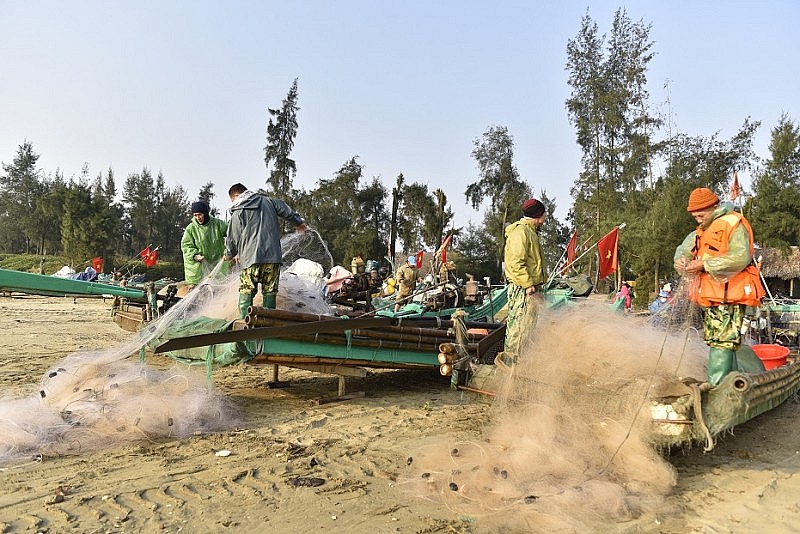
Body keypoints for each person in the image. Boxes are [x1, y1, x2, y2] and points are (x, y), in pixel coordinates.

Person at [674, 187, 765, 386]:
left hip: (731, 295)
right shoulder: (700, 231)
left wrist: (705, 264)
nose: (698, 219)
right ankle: (753, 379)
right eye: (694, 216)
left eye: (701, 215)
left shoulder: (733, 223)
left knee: (723, 342)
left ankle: (717, 387)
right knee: (728, 341)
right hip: (712, 297)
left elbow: (740, 257)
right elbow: (684, 250)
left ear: (714, 207)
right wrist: (681, 261)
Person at [223, 183, 307, 318]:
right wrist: (298, 223)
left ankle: (245, 325)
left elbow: (233, 237)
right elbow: (286, 210)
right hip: (273, 258)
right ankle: (267, 326)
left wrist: (229, 254)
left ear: (236, 196)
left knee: (247, 290)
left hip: (251, 260)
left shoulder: (239, 210)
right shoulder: (269, 201)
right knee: (270, 291)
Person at [502, 197, 547, 361]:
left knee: (528, 329)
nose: (545, 219)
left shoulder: (531, 232)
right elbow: (515, 262)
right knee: (518, 329)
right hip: (523, 290)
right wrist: (528, 284)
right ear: (538, 215)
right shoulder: (521, 233)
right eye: (543, 215)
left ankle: (521, 363)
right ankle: (509, 365)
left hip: (531, 288)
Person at [180, 201, 228, 289]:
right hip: (198, 271)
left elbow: (232, 233)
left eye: (200, 214)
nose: (198, 218)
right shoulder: (191, 229)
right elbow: (186, 246)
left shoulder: (218, 224)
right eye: (195, 215)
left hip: (217, 268)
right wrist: (194, 255)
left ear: (205, 213)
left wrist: (231, 251)